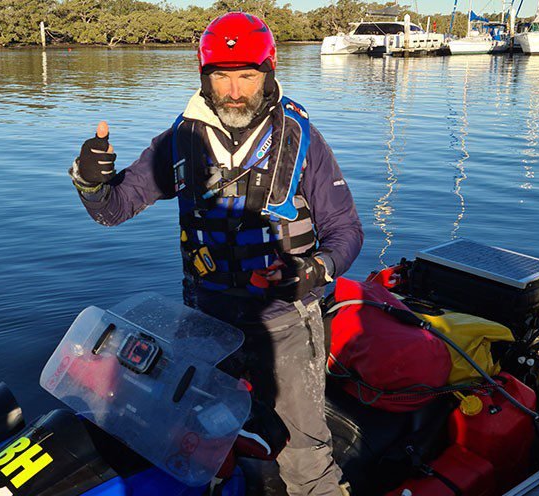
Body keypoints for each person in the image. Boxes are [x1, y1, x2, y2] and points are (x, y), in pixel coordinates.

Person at [69, 12, 363, 496]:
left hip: (284, 322)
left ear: (268, 74)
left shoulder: (301, 138)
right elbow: (115, 209)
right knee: (194, 439)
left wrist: (315, 270)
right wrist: (91, 180)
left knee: (304, 455)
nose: (233, 90)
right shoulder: (182, 138)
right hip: (203, 318)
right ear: (203, 76)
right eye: (221, 75)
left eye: (246, 75)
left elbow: (346, 230)